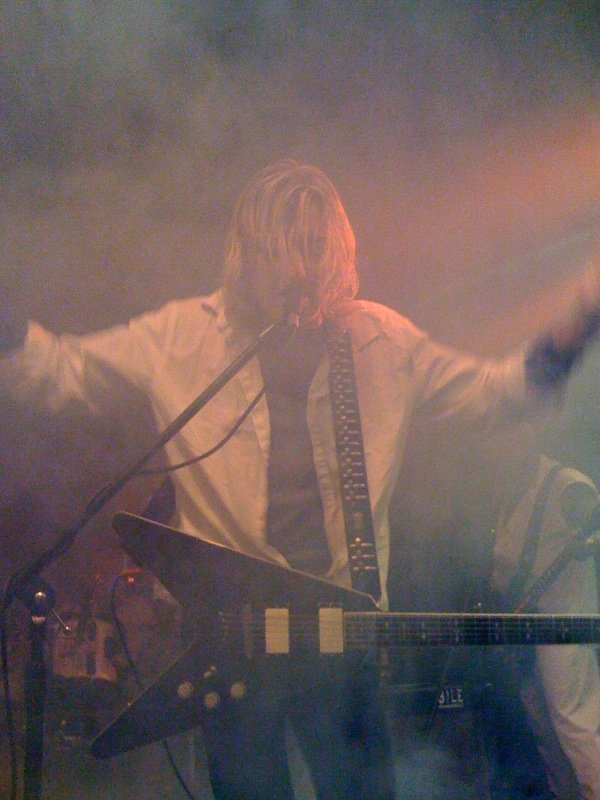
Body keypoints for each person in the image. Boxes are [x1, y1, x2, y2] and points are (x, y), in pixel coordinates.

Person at [1, 159, 600, 799]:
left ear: (338, 253)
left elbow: (496, 393)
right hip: (229, 638)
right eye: (280, 250)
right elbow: (56, 373)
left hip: (341, 634)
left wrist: (582, 318)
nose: (299, 269)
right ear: (247, 254)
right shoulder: (182, 335)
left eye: (315, 247)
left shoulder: (379, 341)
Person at [482, 423, 600, 800]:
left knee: (576, 729)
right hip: (528, 632)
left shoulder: (567, 485)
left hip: (565, 631)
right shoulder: (512, 493)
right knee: (546, 732)